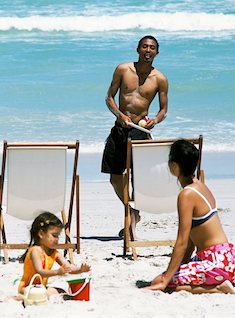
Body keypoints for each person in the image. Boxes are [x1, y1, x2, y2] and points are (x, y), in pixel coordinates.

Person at [146, 139, 235, 294]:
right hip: (227, 260)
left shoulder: (186, 194)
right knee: (169, 276)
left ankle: (217, 288)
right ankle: (218, 283)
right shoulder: (201, 186)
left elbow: (181, 242)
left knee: (159, 281)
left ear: (174, 166)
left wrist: (165, 280)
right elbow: (191, 240)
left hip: (215, 263)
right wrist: (181, 267)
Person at [101, 35, 168, 236]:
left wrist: (154, 120)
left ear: (157, 52)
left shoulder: (160, 79)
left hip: (141, 132)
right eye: (145, 47)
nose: (148, 50)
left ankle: (132, 219)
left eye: (152, 48)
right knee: (114, 177)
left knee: (138, 180)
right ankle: (132, 211)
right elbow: (109, 98)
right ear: (138, 50)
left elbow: (163, 110)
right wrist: (120, 115)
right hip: (120, 128)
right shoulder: (123, 69)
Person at [17, 212, 91, 298]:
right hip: (26, 288)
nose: (57, 239)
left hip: (41, 288)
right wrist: (57, 272)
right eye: (54, 235)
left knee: (61, 291)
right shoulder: (35, 251)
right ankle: (19, 297)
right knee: (45, 294)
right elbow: (40, 271)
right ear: (41, 234)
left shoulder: (54, 252)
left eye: (58, 236)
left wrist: (80, 269)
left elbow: (69, 268)